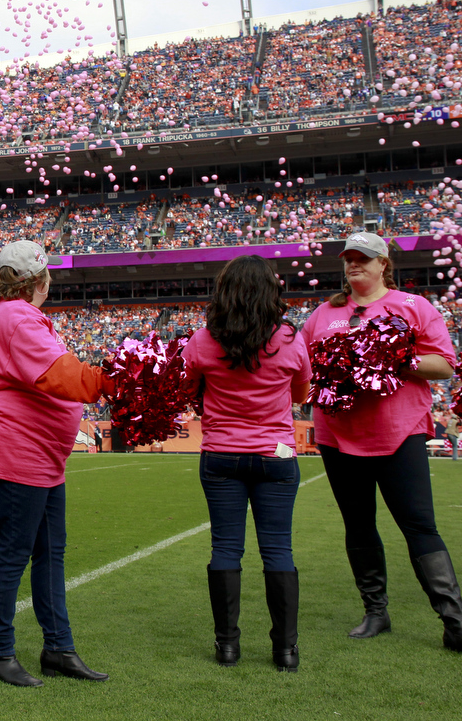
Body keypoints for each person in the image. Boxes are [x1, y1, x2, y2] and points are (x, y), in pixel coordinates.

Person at [0, 240, 113, 687]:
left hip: (38, 454)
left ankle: (58, 648)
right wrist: (110, 377)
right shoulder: (18, 316)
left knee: (49, 554)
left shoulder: (17, 316)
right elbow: (62, 377)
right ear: (41, 281)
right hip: (17, 451)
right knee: (15, 554)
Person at [301, 232, 461, 652]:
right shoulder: (322, 314)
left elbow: (444, 365)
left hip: (399, 433)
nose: (354, 264)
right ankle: (376, 611)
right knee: (358, 524)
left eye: (363, 258)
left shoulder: (414, 307)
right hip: (338, 436)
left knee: (419, 525)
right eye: (349, 259)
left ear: (383, 264)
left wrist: (391, 355)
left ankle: (454, 619)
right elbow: (302, 370)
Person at [182, 255, 310, 671]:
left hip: (221, 453)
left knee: (225, 548)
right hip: (277, 453)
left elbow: (189, 389)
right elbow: (301, 395)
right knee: (279, 549)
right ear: (271, 293)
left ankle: (228, 645)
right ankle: (285, 650)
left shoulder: (203, 340)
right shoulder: (290, 338)